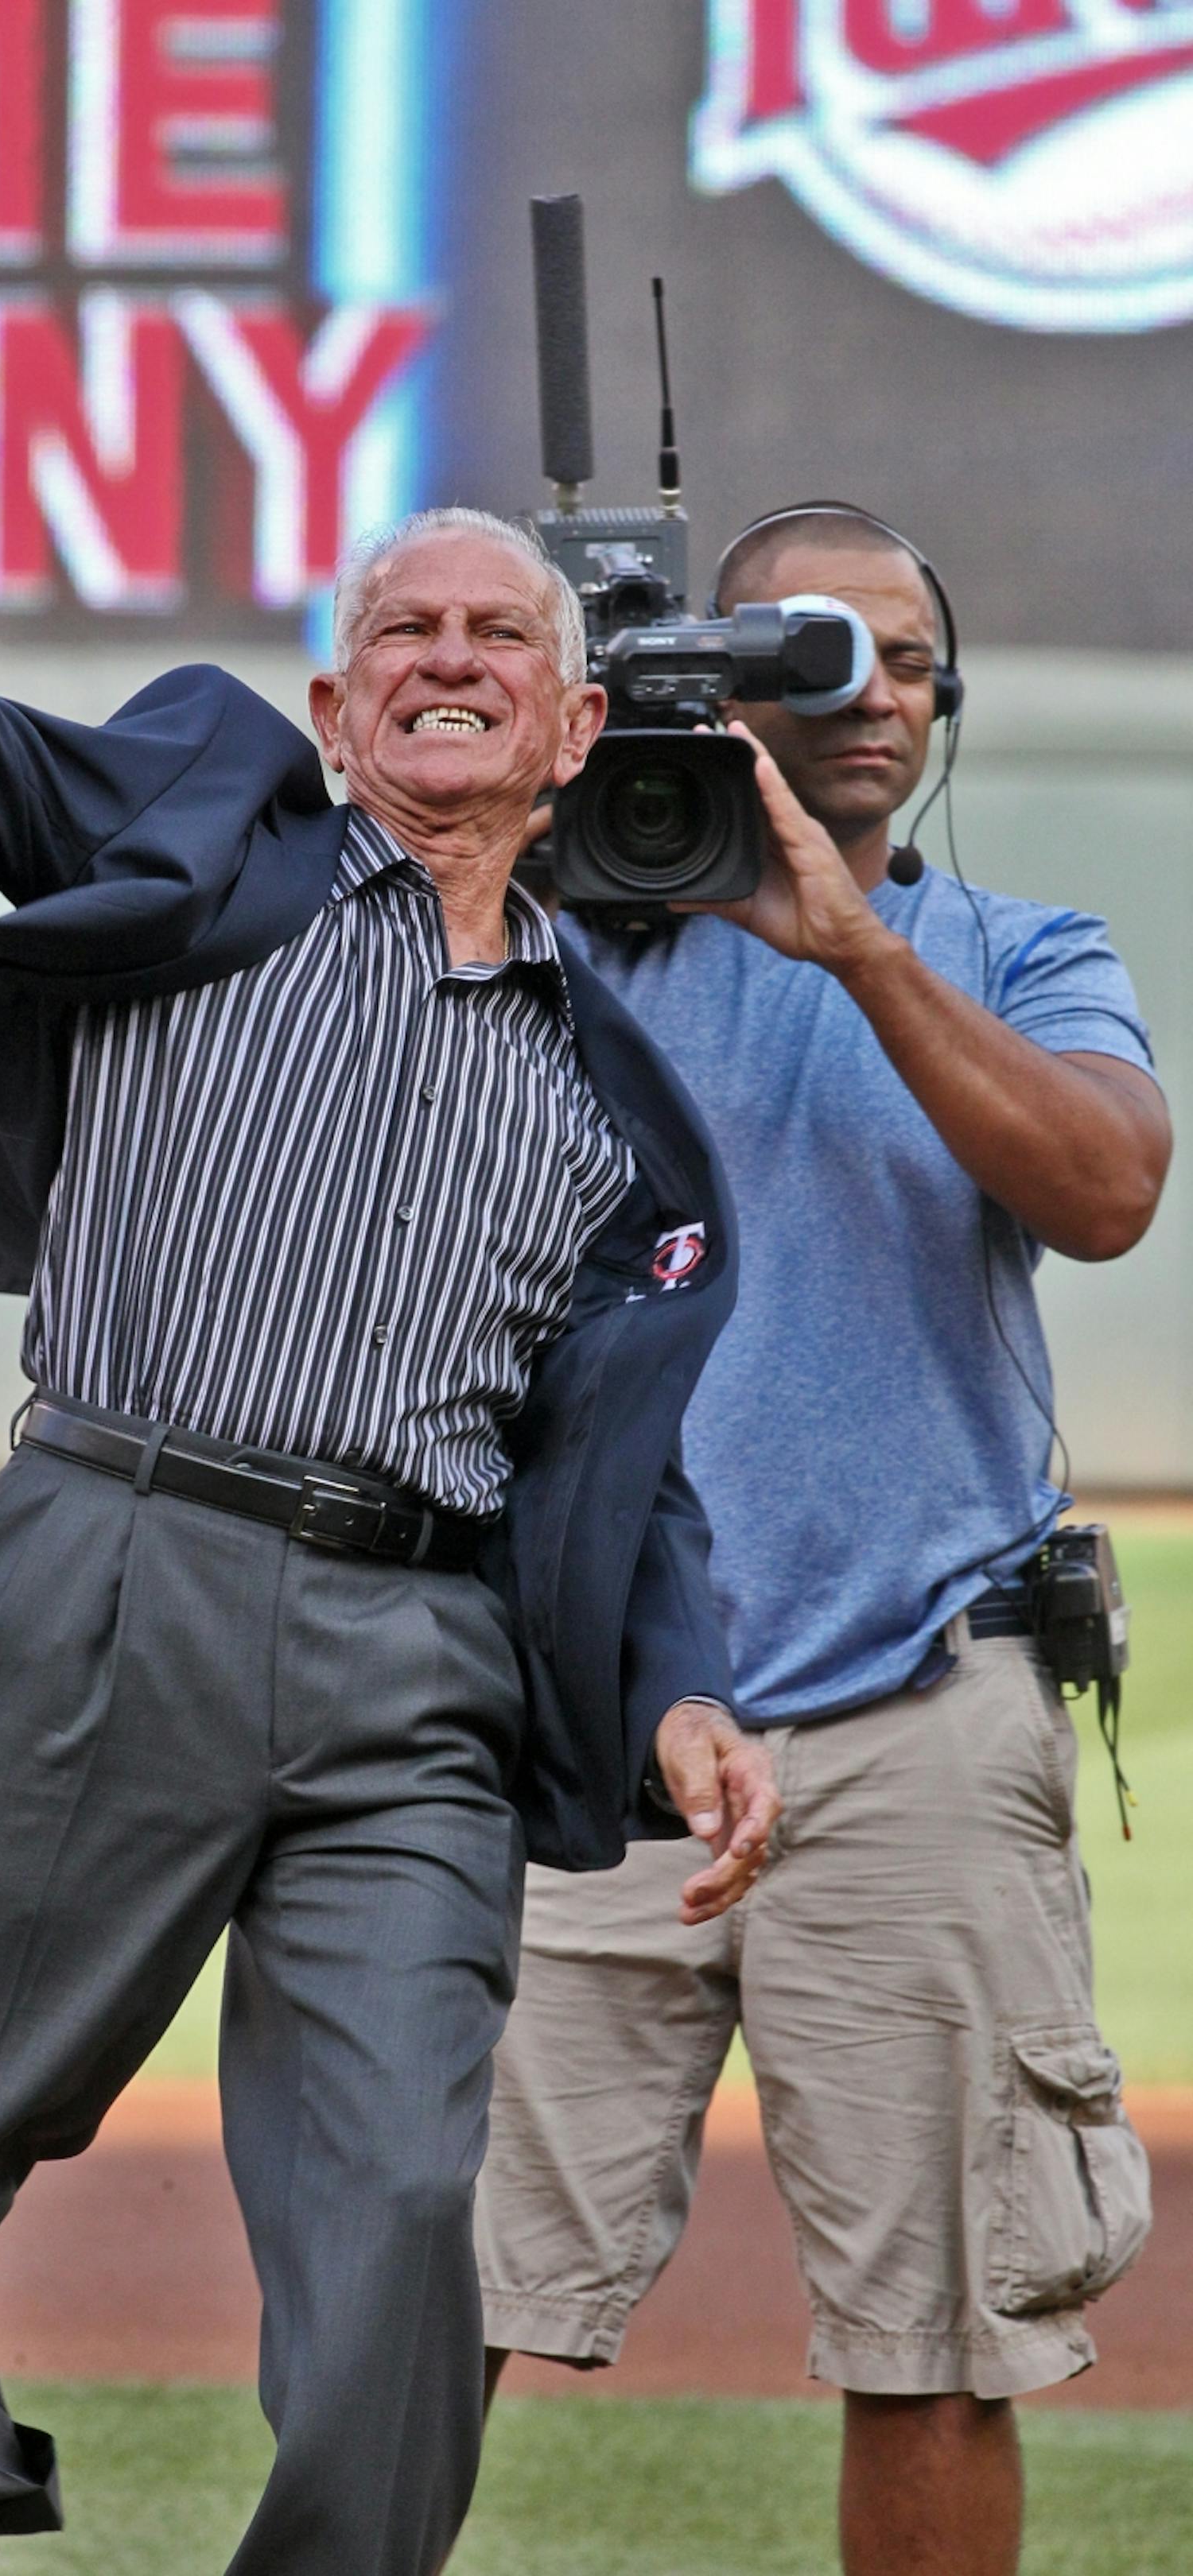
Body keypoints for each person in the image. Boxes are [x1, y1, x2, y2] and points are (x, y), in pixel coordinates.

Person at [0, 231, 781, 2576]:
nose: (450, 659)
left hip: (416, 1679)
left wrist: (692, 1691)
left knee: (403, 2230)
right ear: (338, 716)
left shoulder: (627, 1100)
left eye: (500, 637)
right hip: (108, 1578)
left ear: (568, 729)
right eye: (405, 635)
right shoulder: (200, 844)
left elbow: (612, 1474)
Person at [476, 504, 1169, 2576]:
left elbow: (1108, 1187)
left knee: (940, 2340)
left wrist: (851, 944)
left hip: (913, 1706)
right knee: (421, 2293)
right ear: (708, 677)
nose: (871, 695)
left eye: (909, 661)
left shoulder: (1016, 954)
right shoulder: (549, 942)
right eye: (811, 650)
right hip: (588, 1724)